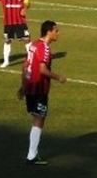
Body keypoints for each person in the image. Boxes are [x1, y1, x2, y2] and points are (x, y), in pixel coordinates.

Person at [18, 20, 66, 165]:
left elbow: (25, 65)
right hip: (39, 88)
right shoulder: (44, 48)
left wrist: (23, 86)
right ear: (49, 31)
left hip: (30, 87)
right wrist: (59, 77)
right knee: (39, 120)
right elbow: (42, 70)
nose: (58, 33)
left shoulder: (33, 44)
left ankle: (32, 154)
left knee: (37, 118)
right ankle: (31, 155)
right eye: (56, 30)